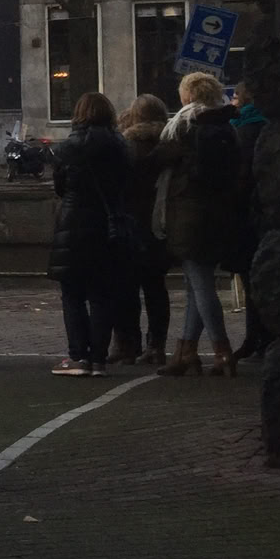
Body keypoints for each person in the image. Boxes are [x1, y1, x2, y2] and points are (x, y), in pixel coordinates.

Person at [156, 72, 248, 377]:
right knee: (196, 285)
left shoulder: (183, 126)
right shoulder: (227, 127)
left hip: (187, 215)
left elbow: (157, 159)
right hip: (219, 214)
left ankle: (222, 351)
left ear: (187, 95)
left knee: (201, 286)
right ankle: (186, 352)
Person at [46, 92, 134, 376]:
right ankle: (98, 359)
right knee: (101, 294)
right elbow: (126, 183)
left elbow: (60, 186)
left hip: (73, 223)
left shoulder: (68, 147)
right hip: (107, 224)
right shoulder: (119, 146)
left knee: (72, 294)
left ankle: (78, 356)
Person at [114, 94, 173, 364]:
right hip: (159, 223)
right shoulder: (169, 145)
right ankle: (156, 344)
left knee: (127, 288)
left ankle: (128, 344)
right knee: (156, 288)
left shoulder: (126, 146)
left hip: (130, 222)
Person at [230, 80, 271, 362]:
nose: (232, 100)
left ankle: (257, 337)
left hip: (248, 213)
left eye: (235, 96)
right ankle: (258, 337)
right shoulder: (268, 126)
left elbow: (240, 175)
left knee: (252, 279)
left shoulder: (244, 130)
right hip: (267, 211)